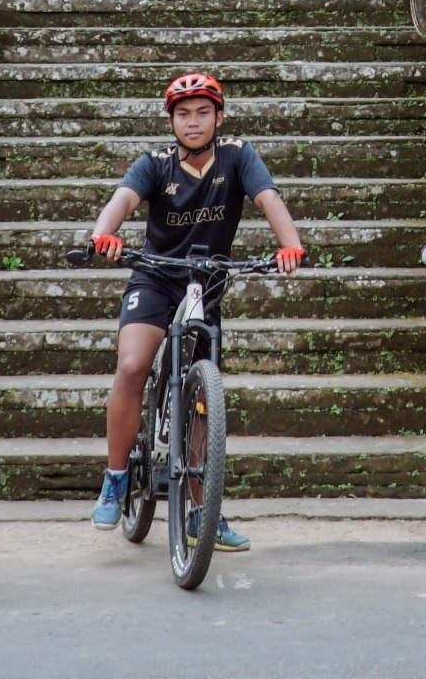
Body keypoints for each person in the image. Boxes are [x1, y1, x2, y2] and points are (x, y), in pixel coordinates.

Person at [83, 71, 306, 551]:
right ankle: (117, 477)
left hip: (207, 283)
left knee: (204, 400)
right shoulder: (155, 163)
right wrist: (105, 234)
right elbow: (121, 200)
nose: (193, 121)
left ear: (219, 117)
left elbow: (269, 199)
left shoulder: (238, 156)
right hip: (155, 276)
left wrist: (290, 246)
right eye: (183, 114)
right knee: (133, 363)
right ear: (171, 121)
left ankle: (204, 514)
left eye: (203, 112)